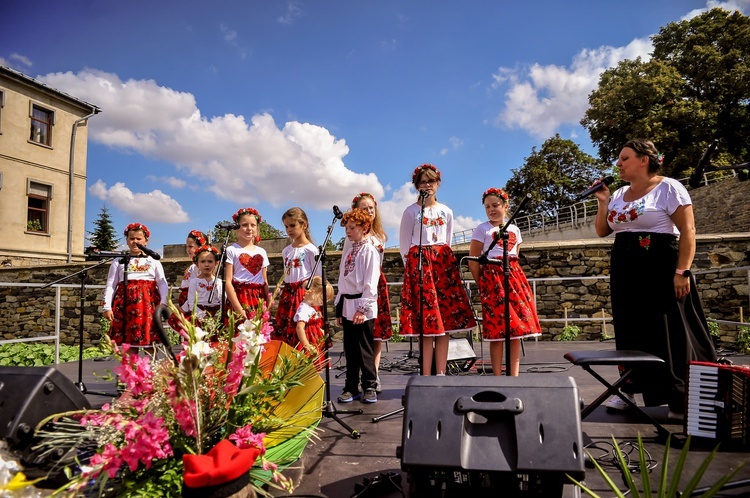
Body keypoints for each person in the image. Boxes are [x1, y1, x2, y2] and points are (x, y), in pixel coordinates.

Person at [594, 138, 717, 417]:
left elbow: (688, 231)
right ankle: (629, 390)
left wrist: (682, 271)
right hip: (626, 269)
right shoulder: (619, 193)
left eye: (624, 158)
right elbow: (603, 231)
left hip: (661, 266)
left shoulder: (669, 187)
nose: (619, 164)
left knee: (668, 328)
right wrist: (603, 202)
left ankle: (678, 396)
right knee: (630, 328)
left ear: (643, 160)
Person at [399, 164, 477, 376]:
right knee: (426, 324)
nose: (427, 185)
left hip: (442, 268)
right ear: (417, 186)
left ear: (437, 183)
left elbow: (447, 241)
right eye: (423, 182)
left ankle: (441, 373)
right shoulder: (410, 212)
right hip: (420, 267)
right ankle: (425, 374)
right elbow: (405, 246)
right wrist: (413, 272)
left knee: (444, 323)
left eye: (431, 181)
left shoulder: (447, 211)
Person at [468, 188, 542, 376]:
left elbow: (515, 255)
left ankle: (514, 375)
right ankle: (497, 377)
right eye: (487, 207)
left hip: (513, 278)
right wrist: (482, 282)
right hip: (492, 280)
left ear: (506, 206)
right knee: (496, 331)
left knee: (515, 329)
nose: (491, 210)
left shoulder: (515, 229)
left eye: (495, 205)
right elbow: (473, 259)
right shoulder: (482, 229)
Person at [346, 192, 393, 392]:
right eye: (364, 208)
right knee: (362, 334)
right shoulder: (353, 236)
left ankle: (374, 373)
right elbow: (346, 264)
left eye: (371, 208)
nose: (369, 211)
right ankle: (362, 376)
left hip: (377, 284)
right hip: (361, 284)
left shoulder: (380, 235)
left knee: (377, 332)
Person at [335, 208, 380, 404]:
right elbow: (343, 280)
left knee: (364, 348)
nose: (348, 231)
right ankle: (351, 386)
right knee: (350, 348)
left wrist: (363, 309)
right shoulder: (349, 250)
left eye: (353, 227)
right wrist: (339, 306)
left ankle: (369, 385)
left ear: (364, 227)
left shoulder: (369, 250)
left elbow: (371, 280)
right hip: (348, 303)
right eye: (347, 227)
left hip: (362, 304)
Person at [102, 222, 169, 346]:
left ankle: (151, 365)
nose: (135, 241)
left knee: (150, 342)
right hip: (125, 304)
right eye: (131, 238)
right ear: (127, 241)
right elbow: (111, 284)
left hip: (148, 304)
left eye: (139, 238)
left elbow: (162, 283)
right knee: (128, 344)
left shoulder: (153, 260)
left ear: (146, 241)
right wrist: (106, 307)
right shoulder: (119, 261)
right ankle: (131, 365)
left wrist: (163, 303)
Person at [275, 207, 320, 345]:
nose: (289, 229)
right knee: (286, 330)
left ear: (304, 224)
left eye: (292, 225)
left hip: (304, 294)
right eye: (286, 226)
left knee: (303, 331)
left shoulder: (311, 250)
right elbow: (286, 274)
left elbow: (318, 278)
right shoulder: (286, 251)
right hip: (288, 295)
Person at [225, 208, 270, 322]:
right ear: (237, 228)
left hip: (258, 296)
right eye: (244, 225)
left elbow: (265, 280)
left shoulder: (261, 251)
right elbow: (228, 281)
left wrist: (268, 302)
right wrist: (238, 308)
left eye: (253, 225)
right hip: (240, 295)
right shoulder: (232, 250)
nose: (249, 228)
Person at [169, 229, 208, 331]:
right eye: (187, 246)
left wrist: (183, 309)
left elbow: (198, 293)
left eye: (191, 247)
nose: (188, 250)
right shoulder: (192, 267)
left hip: (194, 306)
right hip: (188, 305)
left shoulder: (200, 268)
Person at [294, 275, 334, 370]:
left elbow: (314, 326)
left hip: (314, 341)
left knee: (315, 367)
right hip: (308, 341)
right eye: (322, 298)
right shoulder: (304, 309)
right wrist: (306, 345)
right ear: (313, 292)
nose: (323, 302)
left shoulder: (311, 308)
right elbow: (299, 327)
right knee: (309, 366)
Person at [182, 245, 223, 327]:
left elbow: (223, 301)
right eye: (203, 261)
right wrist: (204, 317)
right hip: (199, 316)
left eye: (210, 261)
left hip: (216, 318)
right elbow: (191, 303)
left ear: (216, 263)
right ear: (197, 264)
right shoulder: (194, 282)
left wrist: (218, 316)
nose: (206, 264)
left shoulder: (219, 282)